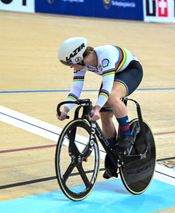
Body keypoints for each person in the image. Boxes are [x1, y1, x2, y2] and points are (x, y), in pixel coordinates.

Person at [57, 37, 143, 178]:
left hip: (130, 71)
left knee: (112, 97)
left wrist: (96, 107)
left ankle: (126, 136)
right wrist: (66, 109)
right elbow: (75, 90)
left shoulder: (105, 54)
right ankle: (114, 155)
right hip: (114, 75)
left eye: (70, 64)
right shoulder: (81, 65)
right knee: (104, 115)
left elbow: (107, 86)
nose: (71, 67)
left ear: (78, 57)